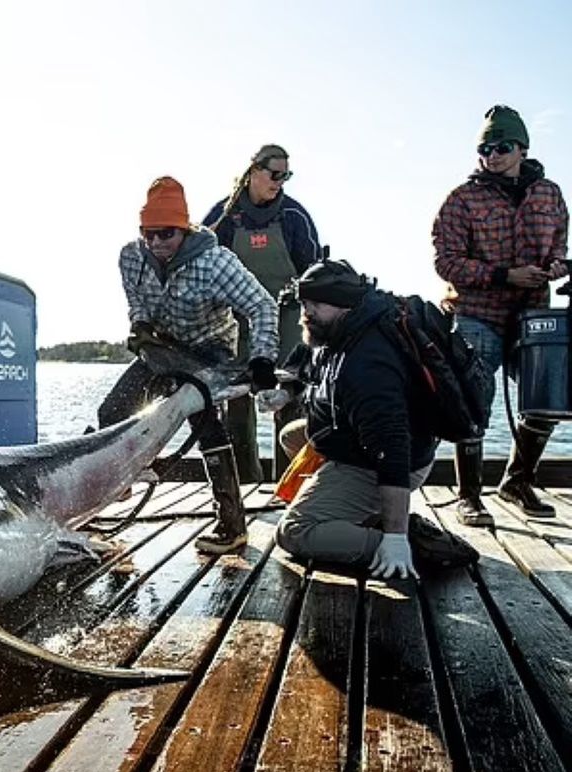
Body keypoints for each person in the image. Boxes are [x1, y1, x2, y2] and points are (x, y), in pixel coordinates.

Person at [97, 176, 279, 554]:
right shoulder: (130, 257)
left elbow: (262, 306)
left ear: (183, 229)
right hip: (161, 344)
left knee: (203, 421)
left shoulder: (215, 263)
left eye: (166, 234)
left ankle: (232, 525)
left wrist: (262, 358)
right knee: (112, 409)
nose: (157, 243)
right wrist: (140, 324)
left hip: (210, 347)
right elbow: (137, 302)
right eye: (148, 234)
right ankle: (116, 484)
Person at [276, 259, 474, 577]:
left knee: (294, 531)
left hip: (387, 462)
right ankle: (363, 513)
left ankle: (402, 541)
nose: (307, 312)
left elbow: (392, 450)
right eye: (304, 303)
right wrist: (285, 392)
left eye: (316, 304)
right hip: (355, 442)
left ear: (344, 305)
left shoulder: (368, 365)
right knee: (292, 436)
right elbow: (310, 363)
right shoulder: (341, 329)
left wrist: (394, 539)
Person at [433, 105, 569, 526]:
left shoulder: (550, 193)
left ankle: (518, 482)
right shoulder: (460, 199)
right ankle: (469, 496)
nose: (492, 155)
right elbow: (447, 263)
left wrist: (558, 266)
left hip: (534, 315)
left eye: (502, 146)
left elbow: (559, 244)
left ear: (522, 148)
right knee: (474, 401)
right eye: (484, 148)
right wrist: (504, 274)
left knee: (548, 398)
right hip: (476, 313)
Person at [203, 144, 323, 483]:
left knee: (288, 399)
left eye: (286, 175)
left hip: (287, 317)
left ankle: (289, 486)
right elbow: (202, 265)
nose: (280, 181)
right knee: (237, 404)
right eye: (274, 174)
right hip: (236, 319)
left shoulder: (294, 216)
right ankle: (245, 483)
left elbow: (312, 272)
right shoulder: (223, 216)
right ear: (254, 171)